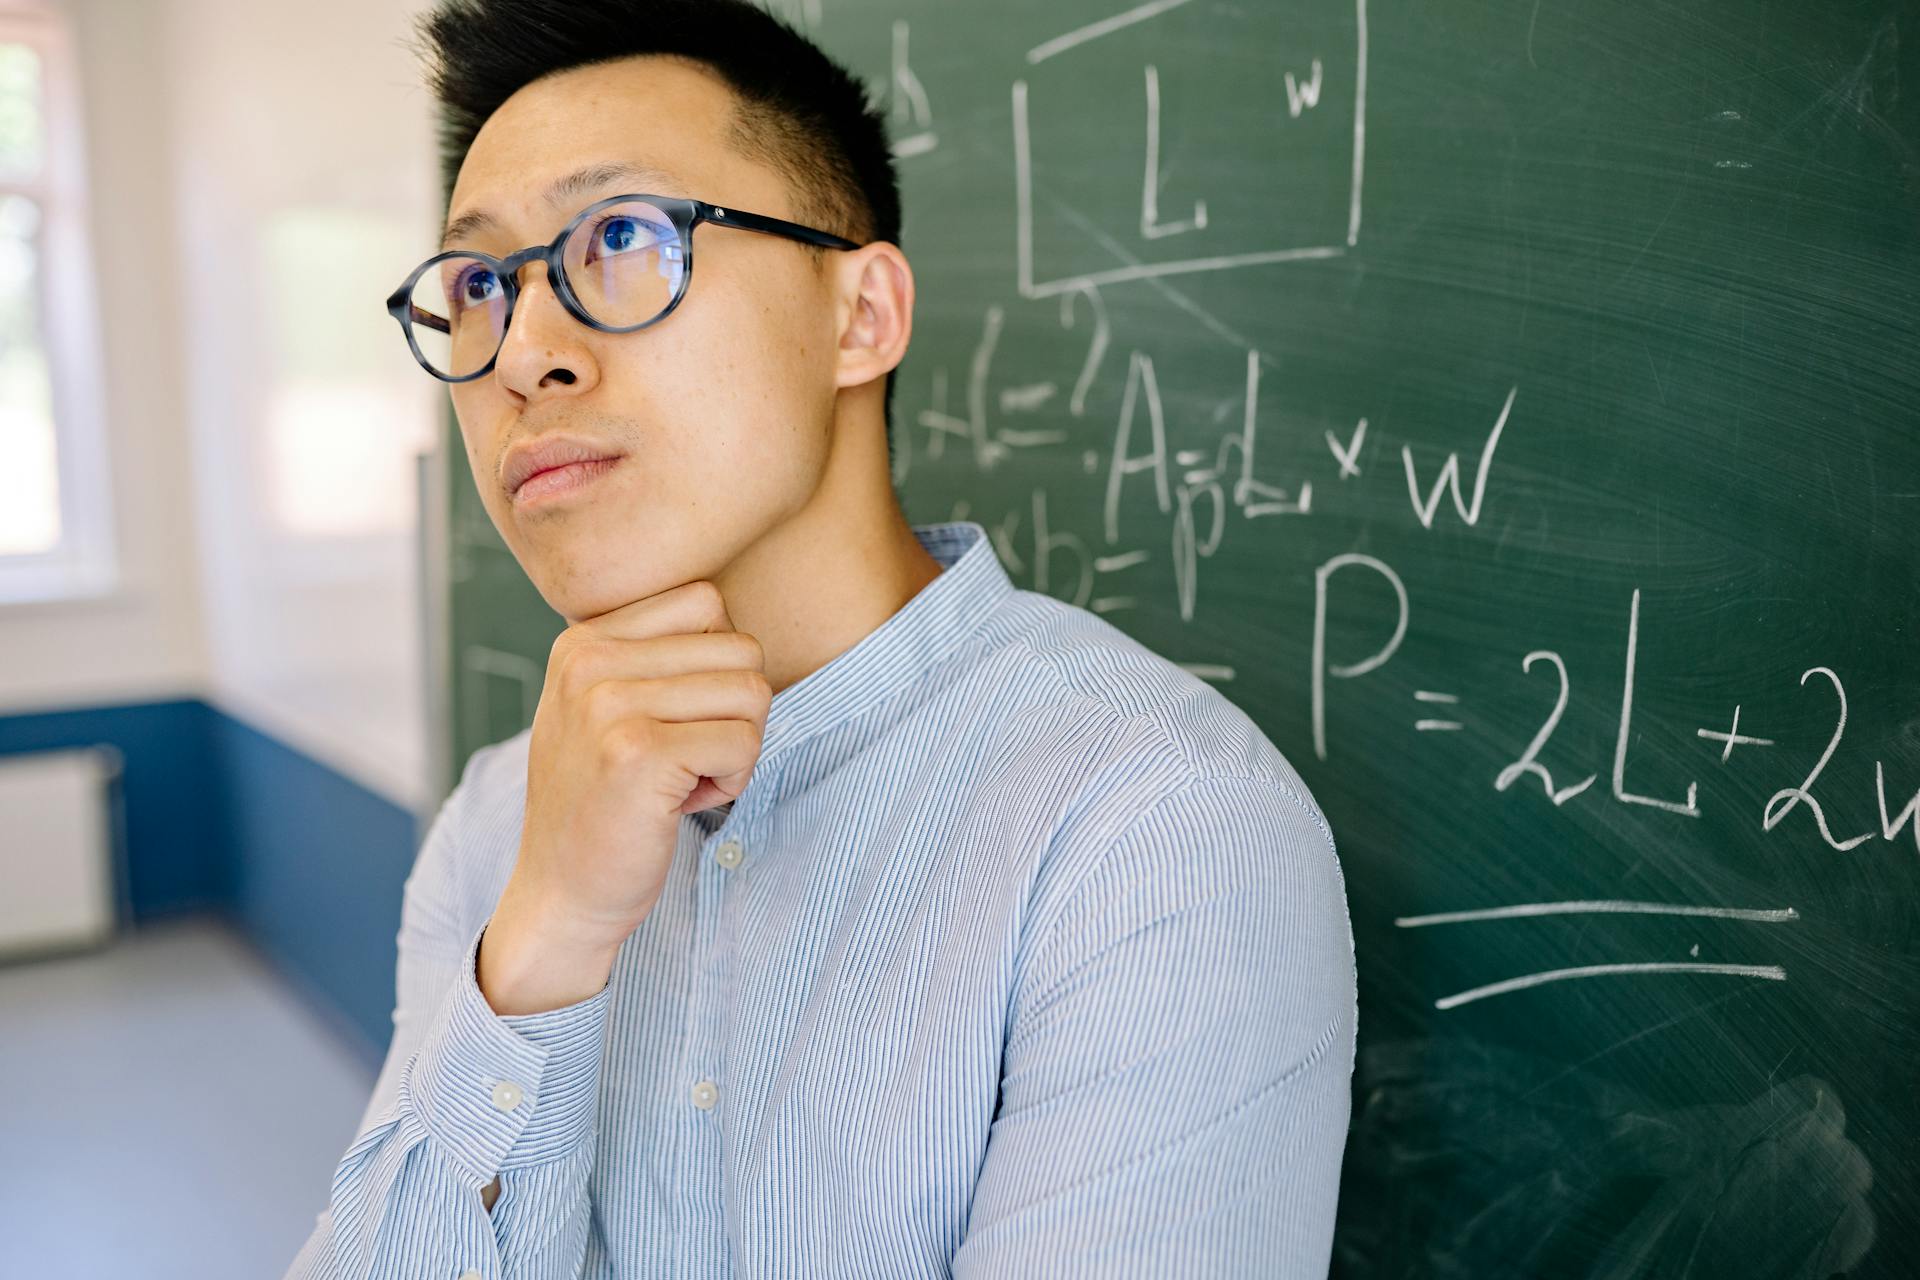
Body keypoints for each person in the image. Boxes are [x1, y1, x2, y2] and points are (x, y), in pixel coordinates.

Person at [287, 1, 1357, 1275]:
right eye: (476, 286)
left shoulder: (1153, 826)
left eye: (622, 237)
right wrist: (545, 944)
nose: (521, 355)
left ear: (862, 316)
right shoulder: (495, 827)